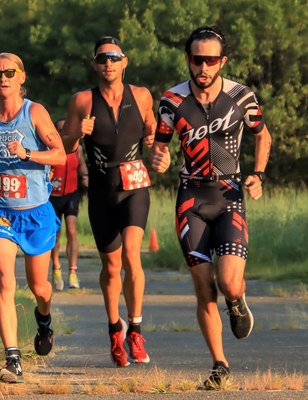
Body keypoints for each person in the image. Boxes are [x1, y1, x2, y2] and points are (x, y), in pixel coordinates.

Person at [150, 26, 272, 389]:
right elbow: (161, 146)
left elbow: (262, 134)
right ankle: (220, 364)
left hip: (230, 193)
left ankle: (237, 301)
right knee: (205, 289)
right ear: (188, 59)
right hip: (191, 199)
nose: (204, 67)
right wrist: (158, 158)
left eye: (211, 60)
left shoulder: (242, 96)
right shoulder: (171, 100)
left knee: (229, 283)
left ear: (223, 61)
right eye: (197, 59)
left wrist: (259, 175)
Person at [0, 52, 66, 384]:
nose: (3, 78)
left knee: (39, 286)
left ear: (22, 77)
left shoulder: (34, 112)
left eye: (10, 72)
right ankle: (13, 360)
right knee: (5, 282)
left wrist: (28, 154)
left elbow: (60, 154)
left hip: (35, 213)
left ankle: (44, 318)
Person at [60, 36, 156, 367]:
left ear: (125, 62)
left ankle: (137, 331)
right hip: (102, 193)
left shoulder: (142, 95)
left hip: (135, 187)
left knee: (132, 255)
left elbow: (151, 125)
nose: (108, 63)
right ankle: (116, 330)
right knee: (111, 268)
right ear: (95, 65)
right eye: (102, 59)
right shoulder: (82, 100)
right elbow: (65, 146)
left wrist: (153, 134)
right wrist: (78, 133)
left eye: (114, 57)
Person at [50, 118, 89, 290]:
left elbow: (81, 166)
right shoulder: (50, 150)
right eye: (60, 130)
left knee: (72, 231)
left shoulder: (77, 149)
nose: (63, 133)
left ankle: (73, 272)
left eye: (66, 129)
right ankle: (56, 267)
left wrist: (85, 176)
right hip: (53, 196)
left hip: (71, 194)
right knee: (56, 234)